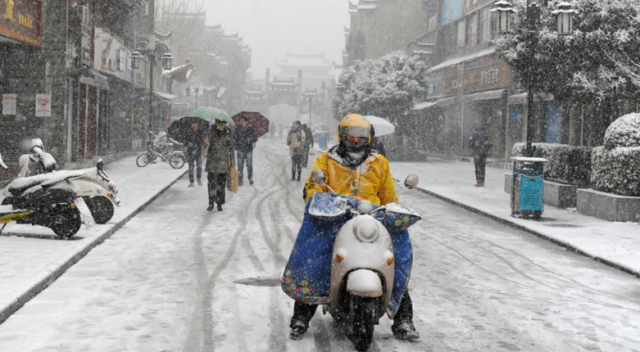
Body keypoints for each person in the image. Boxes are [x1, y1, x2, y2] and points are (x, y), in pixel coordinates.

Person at [284, 114, 420, 341]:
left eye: (361, 136)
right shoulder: (326, 160)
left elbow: (389, 196)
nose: (355, 140)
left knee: (394, 258)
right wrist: (323, 201)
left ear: (368, 138)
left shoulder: (379, 163)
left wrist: (391, 209)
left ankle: (403, 318)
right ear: (341, 135)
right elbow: (312, 189)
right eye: (351, 135)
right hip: (336, 219)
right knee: (315, 256)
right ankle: (301, 317)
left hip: (371, 221)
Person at [205, 119, 235, 211]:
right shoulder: (210, 132)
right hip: (212, 162)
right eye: (219, 124)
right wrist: (205, 143)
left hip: (223, 163)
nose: (221, 126)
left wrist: (232, 163)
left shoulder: (228, 133)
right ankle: (211, 203)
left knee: (221, 185)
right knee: (211, 184)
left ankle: (219, 203)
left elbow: (231, 148)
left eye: (223, 124)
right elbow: (205, 148)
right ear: (216, 123)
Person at [234, 115, 258, 186]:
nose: (241, 122)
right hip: (240, 150)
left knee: (249, 165)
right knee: (240, 166)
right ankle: (240, 180)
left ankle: (250, 178)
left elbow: (256, 138)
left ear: (246, 121)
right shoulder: (237, 130)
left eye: (242, 121)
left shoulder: (251, 129)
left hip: (248, 150)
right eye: (240, 121)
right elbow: (234, 139)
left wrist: (251, 139)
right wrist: (236, 147)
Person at [469, 123, 493, 187]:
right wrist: (486, 149)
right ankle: (482, 181)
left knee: (477, 167)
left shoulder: (474, 134)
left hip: (477, 152)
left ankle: (479, 181)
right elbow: (490, 143)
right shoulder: (486, 134)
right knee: (482, 167)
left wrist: (474, 147)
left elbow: (470, 144)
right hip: (484, 153)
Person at [185, 122, 206, 187]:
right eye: (193, 124)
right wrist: (188, 142)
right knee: (191, 167)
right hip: (190, 152)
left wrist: (200, 143)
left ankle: (198, 178)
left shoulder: (200, 132)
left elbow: (203, 141)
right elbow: (184, 140)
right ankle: (191, 182)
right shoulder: (188, 132)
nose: (195, 125)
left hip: (198, 152)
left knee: (199, 166)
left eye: (196, 124)